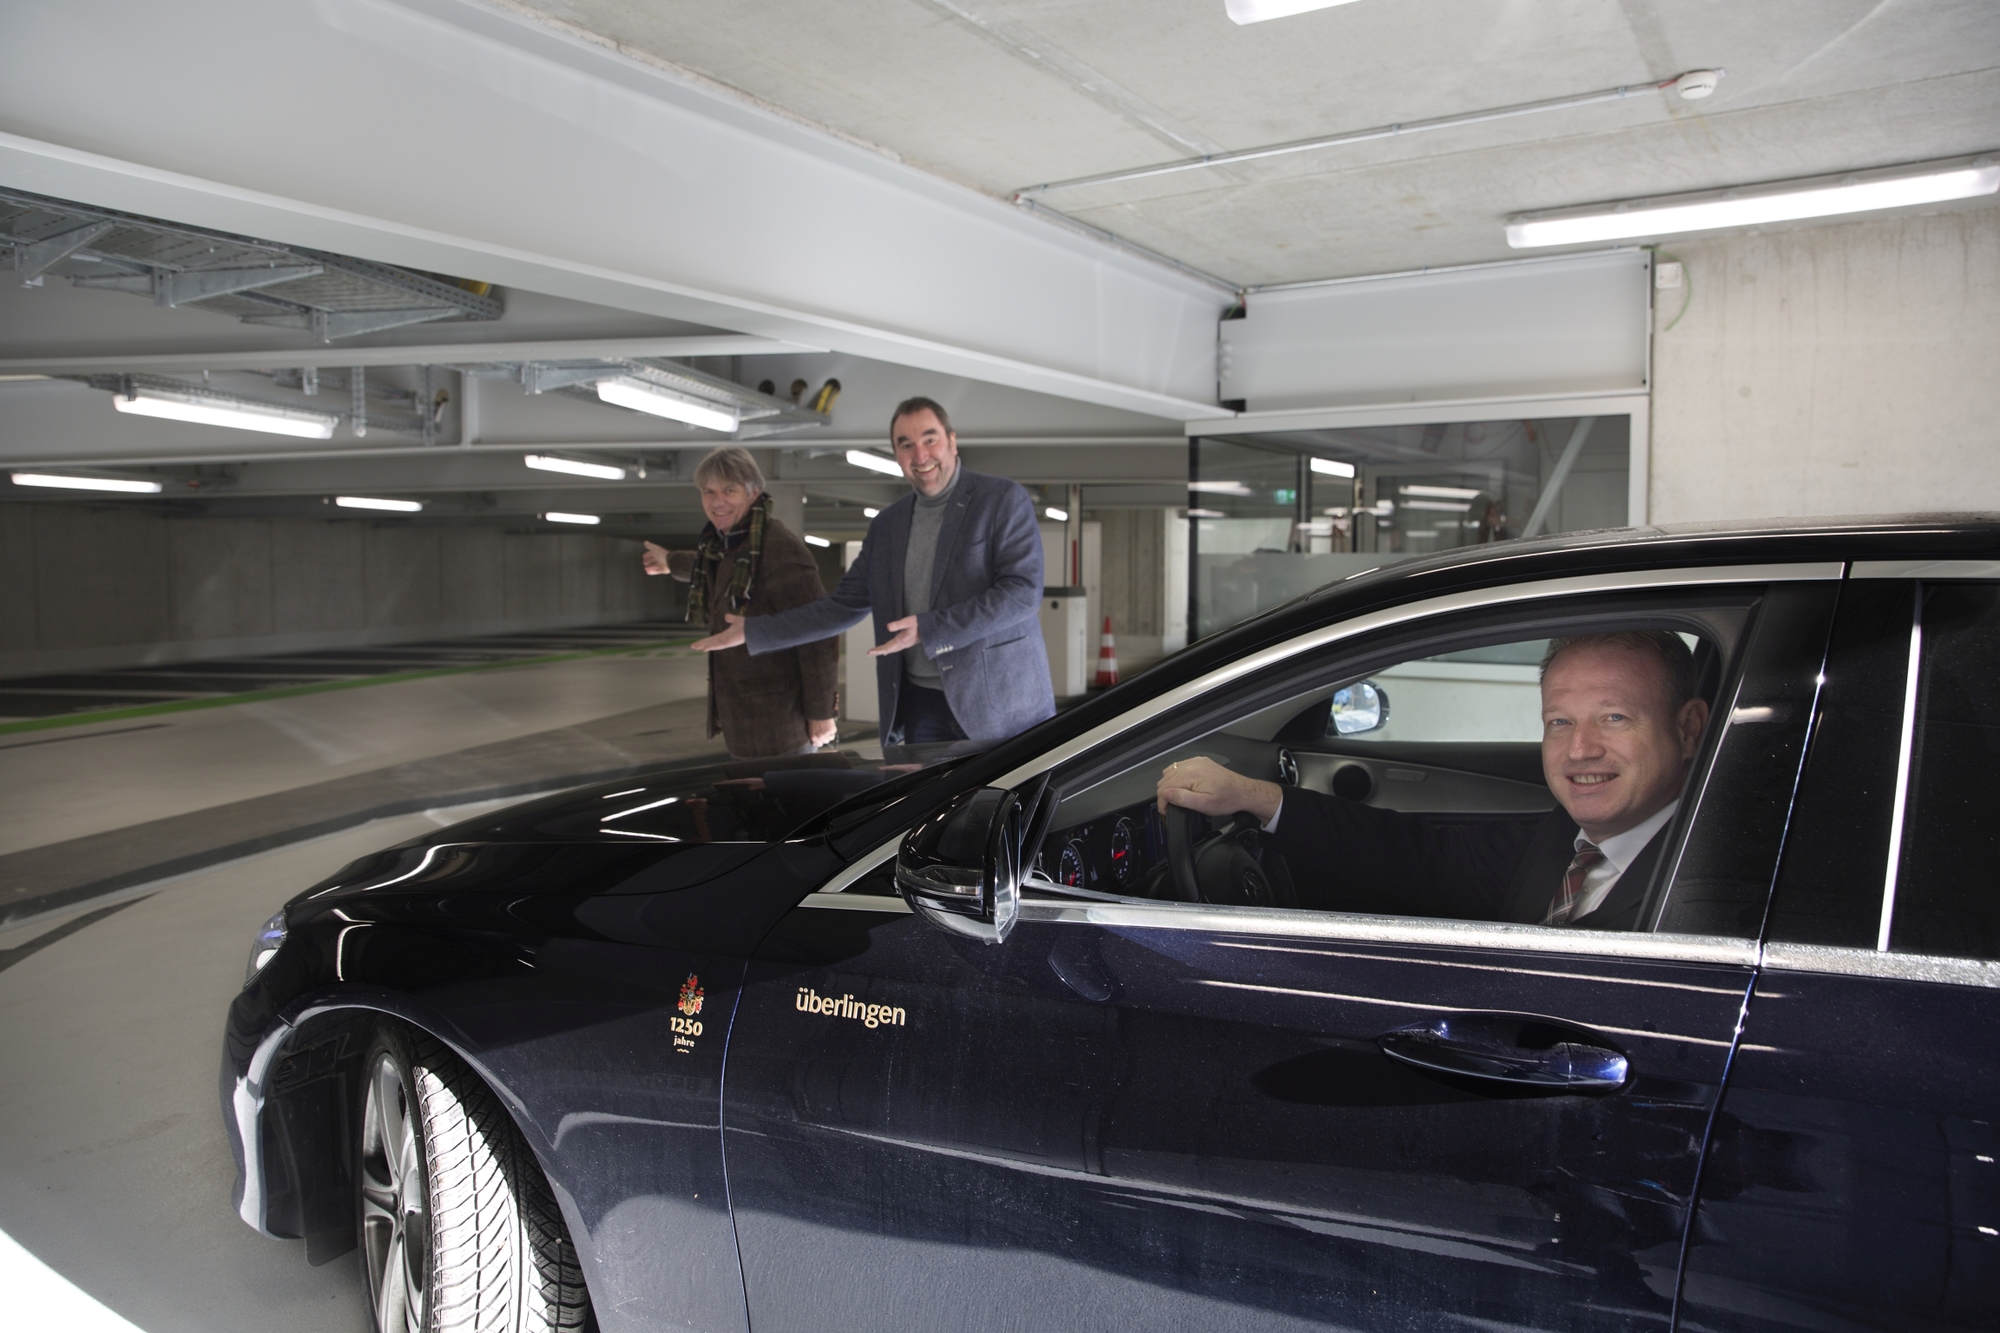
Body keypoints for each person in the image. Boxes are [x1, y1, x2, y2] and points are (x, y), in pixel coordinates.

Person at [1155, 631, 1711, 930]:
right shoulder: (1575, 843)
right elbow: (1423, 857)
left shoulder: (1714, 884)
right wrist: (1257, 798)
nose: (1580, 749)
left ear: (1688, 731)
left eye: (1614, 718)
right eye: (1558, 723)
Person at [689, 397, 1054, 747]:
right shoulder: (887, 525)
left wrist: (930, 628)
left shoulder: (1002, 499)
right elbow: (839, 607)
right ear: (896, 454)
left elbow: (1021, 593)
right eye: (906, 444)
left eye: (930, 440)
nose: (920, 455)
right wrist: (756, 631)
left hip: (997, 703)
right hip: (921, 705)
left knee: (1007, 808)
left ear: (952, 442)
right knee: (933, 809)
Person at [642, 447, 837, 760]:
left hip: (782, 725)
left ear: (753, 492)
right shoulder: (729, 545)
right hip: (743, 722)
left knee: (794, 807)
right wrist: (670, 562)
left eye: (729, 490)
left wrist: (822, 712)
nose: (717, 501)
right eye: (709, 491)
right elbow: (710, 568)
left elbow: (818, 631)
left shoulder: (778, 547)